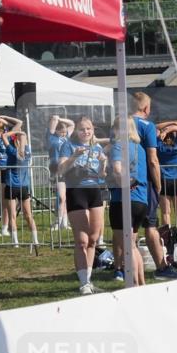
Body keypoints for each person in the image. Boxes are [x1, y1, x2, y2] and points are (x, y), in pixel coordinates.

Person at [58, 117, 108, 294]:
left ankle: (88, 280)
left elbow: (102, 174)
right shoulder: (68, 145)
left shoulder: (97, 147)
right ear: (76, 131)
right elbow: (61, 170)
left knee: (93, 239)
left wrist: (103, 163)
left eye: (89, 129)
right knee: (82, 241)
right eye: (82, 129)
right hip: (76, 190)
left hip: (94, 190)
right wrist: (74, 156)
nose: (86, 132)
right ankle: (83, 282)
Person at [132, 92, 177, 279]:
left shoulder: (121, 124)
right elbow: (153, 159)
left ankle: (123, 268)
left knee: (128, 229)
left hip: (123, 181)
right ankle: (161, 267)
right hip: (145, 181)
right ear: (147, 109)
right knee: (150, 224)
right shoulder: (147, 126)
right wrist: (158, 185)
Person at [108, 116, 149, 288]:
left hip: (124, 199)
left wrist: (120, 181)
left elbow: (117, 169)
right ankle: (141, 283)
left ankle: (133, 284)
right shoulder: (140, 148)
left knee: (127, 246)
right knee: (132, 245)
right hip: (141, 200)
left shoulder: (119, 145)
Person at [2, 122, 39, 249]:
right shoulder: (27, 152)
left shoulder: (12, 151)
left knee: (12, 216)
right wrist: (21, 133)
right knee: (28, 215)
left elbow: (4, 136)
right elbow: (24, 137)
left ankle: (16, 243)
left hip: (11, 186)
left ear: (16, 140)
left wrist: (14, 133)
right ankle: (36, 241)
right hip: (23, 186)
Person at [156, 121, 177, 240]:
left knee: (165, 212)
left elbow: (155, 127)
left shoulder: (159, 146)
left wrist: (164, 130)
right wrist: (173, 125)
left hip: (164, 181)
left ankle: (167, 237)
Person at [48, 115, 74, 230]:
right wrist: (57, 119)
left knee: (65, 197)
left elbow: (72, 124)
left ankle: (64, 221)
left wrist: (62, 120)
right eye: (61, 132)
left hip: (67, 169)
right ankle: (57, 221)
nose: (64, 134)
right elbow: (54, 119)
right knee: (60, 196)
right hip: (56, 169)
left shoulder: (67, 137)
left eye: (65, 132)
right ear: (56, 131)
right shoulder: (51, 137)